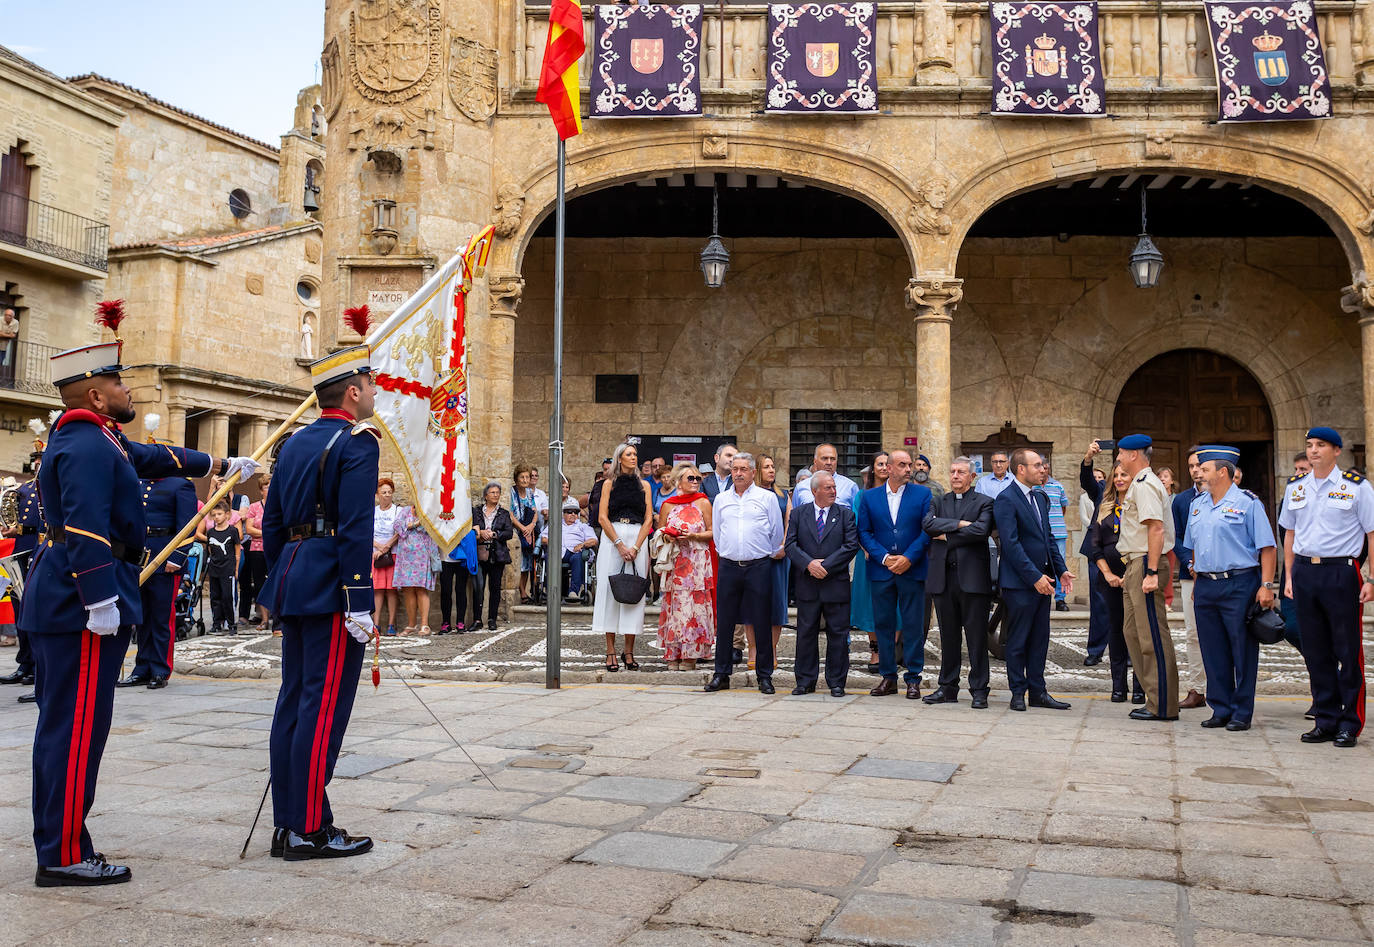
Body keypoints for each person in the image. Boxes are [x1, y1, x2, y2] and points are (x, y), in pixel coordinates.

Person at [22, 340, 253, 885]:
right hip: (79, 602)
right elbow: (81, 526)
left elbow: (152, 457)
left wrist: (219, 463)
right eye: (121, 384)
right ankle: (61, 855)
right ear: (98, 396)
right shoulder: (85, 446)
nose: (130, 390)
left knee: (72, 727)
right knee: (76, 730)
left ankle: (63, 842)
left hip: (74, 596)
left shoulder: (98, 438)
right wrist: (99, 596)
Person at [259, 343, 376, 861]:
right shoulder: (359, 443)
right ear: (352, 392)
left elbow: (272, 522)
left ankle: (291, 821)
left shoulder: (296, 442)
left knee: (294, 701)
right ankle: (308, 827)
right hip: (332, 583)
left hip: (295, 574)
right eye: (370, 384)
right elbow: (355, 528)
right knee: (322, 707)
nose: (375, 392)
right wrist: (359, 599)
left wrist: (285, 576)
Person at [1280, 426, 1374, 748]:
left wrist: (1372, 578)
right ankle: (1326, 719)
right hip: (1306, 572)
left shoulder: (1357, 487)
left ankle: (1350, 722)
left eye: (1321, 445)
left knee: (1347, 651)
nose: (1313, 450)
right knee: (1316, 651)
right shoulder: (1296, 487)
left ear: (1336, 451)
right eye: (1309, 445)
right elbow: (1289, 536)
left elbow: (1372, 533)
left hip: (1341, 572)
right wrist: (1289, 577)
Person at [1185, 446, 1276, 731]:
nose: (1198, 472)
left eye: (1204, 468)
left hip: (1239, 583)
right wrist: (1198, 579)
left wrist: (1266, 586)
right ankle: (1220, 707)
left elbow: (1267, 547)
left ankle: (1241, 711)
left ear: (1222, 472)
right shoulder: (1197, 504)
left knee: (1242, 650)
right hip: (1206, 586)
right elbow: (1195, 546)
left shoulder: (1248, 503)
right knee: (1212, 649)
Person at [993, 448, 1074, 712]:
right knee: (1018, 639)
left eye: (1043, 465)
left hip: (1045, 581)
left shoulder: (1040, 498)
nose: (1043, 469)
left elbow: (1047, 538)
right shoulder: (1006, 499)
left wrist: (1060, 569)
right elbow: (1011, 544)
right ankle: (1018, 691)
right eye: (1037, 465)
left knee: (1040, 638)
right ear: (1021, 469)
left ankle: (1038, 692)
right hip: (1020, 584)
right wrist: (1034, 577)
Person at [857, 449, 932, 699]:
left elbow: (926, 530)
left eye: (910, 464)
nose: (909, 469)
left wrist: (908, 558)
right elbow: (864, 532)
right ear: (888, 468)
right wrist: (885, 558)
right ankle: (888, 678)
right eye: (902, 465)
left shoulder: (922, 494)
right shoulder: (870, 497)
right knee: (884, 625)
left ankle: (913, 679)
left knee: (912, 625)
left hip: (912, 568)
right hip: (881, 569)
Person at [706, 451, 783, 694]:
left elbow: (776, 534)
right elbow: (717, 536)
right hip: (729, 566)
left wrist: (760, 554)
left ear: (752, 472)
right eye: (734, 469)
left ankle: (764, 675)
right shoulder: (721, 499)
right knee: (726, 622)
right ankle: (722, 673)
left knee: (761, 620)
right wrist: (731, 552)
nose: (738, 473)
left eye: (743, 469)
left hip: (759, 566)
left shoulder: (767, 498)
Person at [1115, 434, 1179, 722]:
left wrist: (1152, 571)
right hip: (1134, 563)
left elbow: (1155, 529)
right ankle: (1154, 698)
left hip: (1145, 562)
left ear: (1133, 454)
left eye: (1120, 454)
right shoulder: (1139, 484)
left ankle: (1163, 704)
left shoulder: (1144, 484)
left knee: (1152, 635)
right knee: (1133, 632)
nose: (1118, 459)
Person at [922, 457, 994, 708]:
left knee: (976, 638)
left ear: (972, 477)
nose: (955, 476)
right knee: (948, 636)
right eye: (952, 471)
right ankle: (947, 687)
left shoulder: (985, 502)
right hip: (943, 579)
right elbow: (928, 525)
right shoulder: (939, 501)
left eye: (961, 472)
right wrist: (961, 525)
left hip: (973, 580)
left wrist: (947, 535)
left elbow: (981, 531)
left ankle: (979, 689)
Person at [786, 470, 858, 696]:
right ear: (814, 490)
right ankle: (805, 681)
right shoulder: (799, 514)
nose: (833, 491)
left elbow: (850, 545)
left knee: (837, 634)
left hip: (835, 583)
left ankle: (836, 682)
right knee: (806, 632)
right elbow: (790, 545)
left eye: (834, 487)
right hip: (808, 584)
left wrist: (826, 565)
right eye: (828, 488)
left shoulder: (845, 515)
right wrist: (809, 564)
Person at [1084, 462, 1147, 703]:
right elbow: (1095, 546)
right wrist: (1108, 574)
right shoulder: (1105, 507)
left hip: (1136, 574)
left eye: (1125, 475)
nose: (1120, 479)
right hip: (1109, 578)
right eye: (1116, 475)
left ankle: (1141, 686)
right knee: (1116, 630)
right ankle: (1118, 686)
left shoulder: (1139, 504)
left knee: (1138, 631)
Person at [594, 443, 653, 671]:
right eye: (628, 454)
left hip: (638, 536)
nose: (633, 457)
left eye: (635, 454)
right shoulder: (609, 484)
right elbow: (602, 517)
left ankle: (629, 651)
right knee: (610, 593)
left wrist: (636, 547)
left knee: (633, 592)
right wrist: (619, 544)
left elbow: (649, 519)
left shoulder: (645, 485)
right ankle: (610, 651)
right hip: (613, 537)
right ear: (619, 458)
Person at [656, 464, 714, 671]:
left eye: (698, 479)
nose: (696, 482)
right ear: (678, 481)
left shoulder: (703, 502)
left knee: (694, 608)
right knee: (675, 607)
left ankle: (691, 654)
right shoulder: (668, 505)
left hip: (697, 561)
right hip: (676, 561)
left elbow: (712, 531)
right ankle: (673, 652)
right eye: (691, 478)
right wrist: (667, 535)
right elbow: (659, 532)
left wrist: (694, 536)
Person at [0, 451, 43, 691]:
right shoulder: (24, 487)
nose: (37, 464)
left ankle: (37, 665)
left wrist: (20, 528)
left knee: (35, 612)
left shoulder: (51, 486)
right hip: (20, 553)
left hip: (37, 552)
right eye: (36, 461)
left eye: (41, 460)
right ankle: (24, 663)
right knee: (20, 611)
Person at [1172, 447, 1208, 710]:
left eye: (1199, 465)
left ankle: (1222, 688)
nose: (1195, 470)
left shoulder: (1232, 498)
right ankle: (1198, 688)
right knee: (1193, 633)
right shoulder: (1182, 501)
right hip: (1190, 575)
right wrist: (1190, 562)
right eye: (1191, 466)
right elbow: (1177, 536)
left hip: (1221, 575)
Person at [750, 453, 791, 670]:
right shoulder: (750, 494)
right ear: (757, 470)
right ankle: (754, 648)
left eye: (773, 466)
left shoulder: (783, 495)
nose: (771, 470)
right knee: (752, 603)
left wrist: (783, 546)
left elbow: (789, 522)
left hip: (778, 557)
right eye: (766, 467)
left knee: (776, 604)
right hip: (755, 556)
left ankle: (772, 649)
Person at [850, 451, 890, 673]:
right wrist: (870, 550)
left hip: (894, 558)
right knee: (870, 607)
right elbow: (857, 526)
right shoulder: (861, 496)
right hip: (868, 557)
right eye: (880, 464)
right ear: (873, 468)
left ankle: (889, 651)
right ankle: (875, 651)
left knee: (893, 607)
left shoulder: (899, 493)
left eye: (887, 463)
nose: (884, 467)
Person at [1078, 445, 1109, 666]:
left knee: (1124, 606)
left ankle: (1124, 652)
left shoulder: (1137, 492)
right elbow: (1087, 481)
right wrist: (1088, 458)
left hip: (1122, 554)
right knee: (1098, 604)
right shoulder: (1101, 491)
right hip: (1097, 552)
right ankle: (1095, 650)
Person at [392, 499, 438, 636]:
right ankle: (411, 625)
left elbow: (431, 528)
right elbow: (397, 527)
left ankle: (425, 625)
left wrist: (411, 525)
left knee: (421, 589)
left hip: (422, 556)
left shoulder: (429, 513)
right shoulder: (405, 511)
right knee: (408, 590)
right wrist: (416, 524)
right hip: (405, 557)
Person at [472, 482, 514, 631]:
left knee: (495, 588)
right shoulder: (476, 512)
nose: (496, 495)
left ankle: (492, 619)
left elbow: (509, 533)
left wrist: (495, 534)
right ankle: (477, 619)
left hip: (498, 554)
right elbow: (470, 528)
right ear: (485, 496)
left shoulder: (503, 513)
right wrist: (481, 532)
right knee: (478, 587)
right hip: (480, 553)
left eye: (497, 492)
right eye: (492, 492)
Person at [204, 501, 242, 635]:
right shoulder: (210, 532)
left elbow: (237, 551)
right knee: (215, 597)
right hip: (215, 568)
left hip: (228, 568)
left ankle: (231, 624)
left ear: (227, 515)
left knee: (227, 597)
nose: (217, 517)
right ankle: (216, 623)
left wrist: (236, 569)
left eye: (219, 514)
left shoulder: (232, 531)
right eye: (214, 515)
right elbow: (210, 549)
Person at [1036, 470, 1070, 612]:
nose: (1042, 471)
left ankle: (1060, 599)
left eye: (1044, 467)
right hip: (1039, 533)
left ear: (1048, 470)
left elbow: (1063, 508)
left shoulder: (1058, 486)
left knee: (1059, 566)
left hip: (1057, 532)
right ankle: (1042, 595)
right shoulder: (1033, 488)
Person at [792, 442, 860, 508]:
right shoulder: (801, 487)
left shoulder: (850, 487)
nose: (829, 463)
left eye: (832, 459)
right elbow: (795, 516)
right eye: (824, 458)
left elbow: (856, 516)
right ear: (815, 461)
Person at [242, 478, 271, 629]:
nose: (269, 489)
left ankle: (279, 621)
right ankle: (264, 620)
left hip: (275, 549)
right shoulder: (254, 507)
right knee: (259, 584)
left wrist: (262, 533)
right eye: (266, 486)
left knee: (276, 582)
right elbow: (249, 529)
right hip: (257, 550)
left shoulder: (280, 506)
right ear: (261, 490)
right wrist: (269, 533)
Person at [372, 479, 400, 635]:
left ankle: (391, 624)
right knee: (378, 590)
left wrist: (386, 547)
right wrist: (378, 546)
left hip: (392, 553)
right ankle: (376, 624)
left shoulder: (397, 511)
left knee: (391, 590)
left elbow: (398, 532)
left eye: (389, 492)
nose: (387, 495)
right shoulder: (373, 511)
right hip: (375, 554)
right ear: (377, 494)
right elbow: (367, 531)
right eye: (384, 492)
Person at [511, 464, 541, 604]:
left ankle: (523, 590)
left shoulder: (529, 493)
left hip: (529, 531)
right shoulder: (512, 492)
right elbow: (510, 514)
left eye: (527, 477)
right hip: (517, 530)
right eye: (522, 477)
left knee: (528, 564)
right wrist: (523, 528)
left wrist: (531, 526)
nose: (524, 479)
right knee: (520, 563)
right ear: (516, 479)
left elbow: (535, 511)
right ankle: (522, 592)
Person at [438, 529, 478, 632]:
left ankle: (460, 622)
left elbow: (475, 532)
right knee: (446, 591)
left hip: (462, 556)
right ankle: (446, 622)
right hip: (445, 557)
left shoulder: (465, 514)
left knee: (460, 590)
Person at [558, 500, 597, 602]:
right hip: (559, 551)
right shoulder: (556, 525)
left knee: (578, 558)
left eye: (576, 512)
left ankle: (573, 591)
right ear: (563, 514)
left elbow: (594, 540)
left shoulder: (583, 526)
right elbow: (544, 538)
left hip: (576, 551)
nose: (573, 514)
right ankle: (551, 590)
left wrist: (583, 544)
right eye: (569, 512)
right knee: (550, 556)